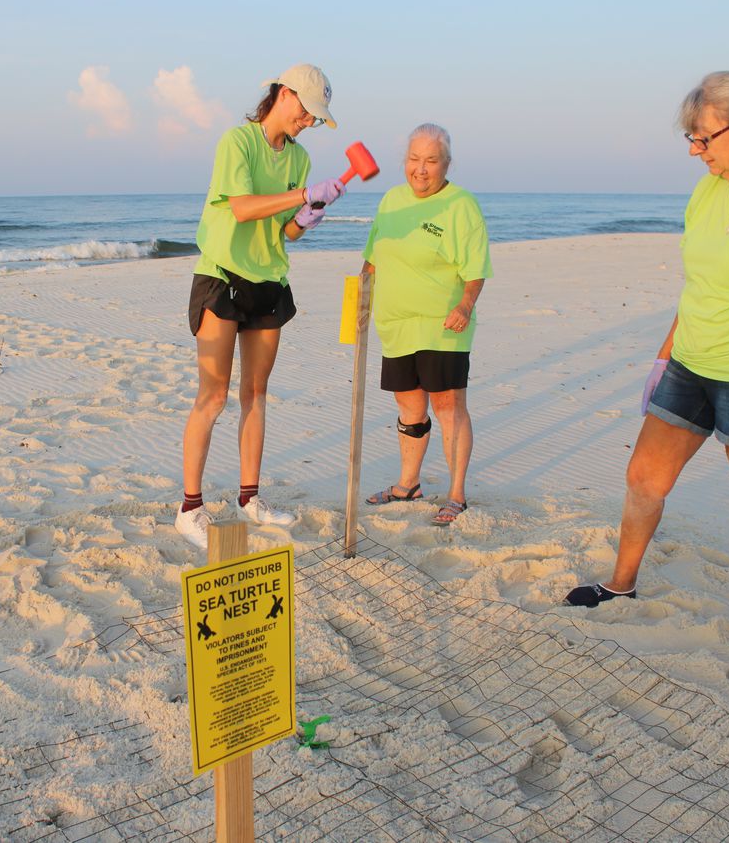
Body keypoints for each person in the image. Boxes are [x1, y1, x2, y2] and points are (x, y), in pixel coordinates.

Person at [564, 73, 729, 689]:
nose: (695, 150)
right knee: (643, 478)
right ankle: (621, 584)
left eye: (702, 137)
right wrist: (664, 359)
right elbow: (699, 288)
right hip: (691, 362)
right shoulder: (706, 192)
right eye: (690, 138)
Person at [175, 64, 345, 550]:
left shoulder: (300, 159)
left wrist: (308, 217)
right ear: (284, 94)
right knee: (213, 395)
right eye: (308, 111)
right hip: (223, 275)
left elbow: (284, 231)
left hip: (269, 279)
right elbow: (244, 208)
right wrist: (302, 195)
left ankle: (249, 499)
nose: (310, 122)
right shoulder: (238, 142)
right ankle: (189, 509)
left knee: (256, 391)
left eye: (318, 118)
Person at [362, 124, 492, 526]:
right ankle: (408, 484)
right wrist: (357, 306)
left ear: (446, 164)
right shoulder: (391, 201)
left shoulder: (461, 205)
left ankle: (456, 494)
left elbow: (475, 270)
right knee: (409, 405)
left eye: (431, 161)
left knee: (449, 404)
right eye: (414, 160)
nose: (421, 169)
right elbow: (372, 259)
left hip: (443, 325)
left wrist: (466, 305)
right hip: (395, 324)